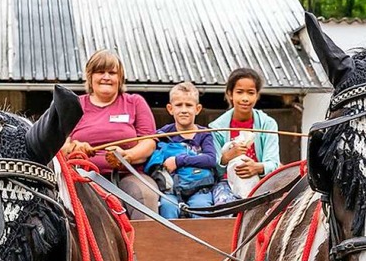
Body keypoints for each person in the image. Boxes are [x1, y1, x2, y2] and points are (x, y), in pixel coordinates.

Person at [63, 50, 158, 219]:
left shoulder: (135, 102)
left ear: (120, 78)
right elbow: (60, 145)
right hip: (85, 176)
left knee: (146, 194)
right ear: (90, 77)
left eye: (112, 73)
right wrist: (74, 148)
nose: (106, 77)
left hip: (129, 174)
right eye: (100, 72)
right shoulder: (75, 105)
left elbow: (148, 142)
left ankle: (146, 245)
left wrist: (127, 155)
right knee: (104, 204)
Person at [209, 68, 280, 205]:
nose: (245, 98)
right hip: (226, 183)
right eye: (239, 92)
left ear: (257, 95)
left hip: (261, 182)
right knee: (224, 207)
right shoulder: (217, 127)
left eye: (251, 93)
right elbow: (214, 168)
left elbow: (273, 163)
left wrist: (257, 167)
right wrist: (228, 157)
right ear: (230, 94)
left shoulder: (267, 124)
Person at [147, 82, 216, 219]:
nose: (184, 110)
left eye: (189, 105)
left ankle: (201, 240)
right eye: (179, 105)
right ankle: (170, 240)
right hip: (170, 190)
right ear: (170, 108)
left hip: (199, 190)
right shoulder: (163, 134)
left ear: (197, 109)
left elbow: (210, 159)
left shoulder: (204, 134)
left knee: (202, 208)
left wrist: (178, 161)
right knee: (167, 206)